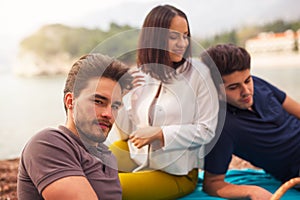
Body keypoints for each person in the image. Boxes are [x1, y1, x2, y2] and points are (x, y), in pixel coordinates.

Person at [108, 4, 219, 199]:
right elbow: (127, 133)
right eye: (174, 36)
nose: (182, 43)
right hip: (136, 157)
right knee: (85, 164)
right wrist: (120, 98)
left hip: (176, 173)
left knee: (105, 189)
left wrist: (160, 133)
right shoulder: (142, 72)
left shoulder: (199, 73)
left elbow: (206, 130)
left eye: (185, 35)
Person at [17, 54, 132, 200]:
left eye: (115, 106)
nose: (109, 114)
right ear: (70, 101)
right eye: (98, 101)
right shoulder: (48, 143)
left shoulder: (107, 156)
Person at [200, 43, 300, 200]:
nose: (246, 91)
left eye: (247, 80)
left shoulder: (258, 83)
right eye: (233, 87)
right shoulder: (221, 127)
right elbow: (212, 183)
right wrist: (252, 191)